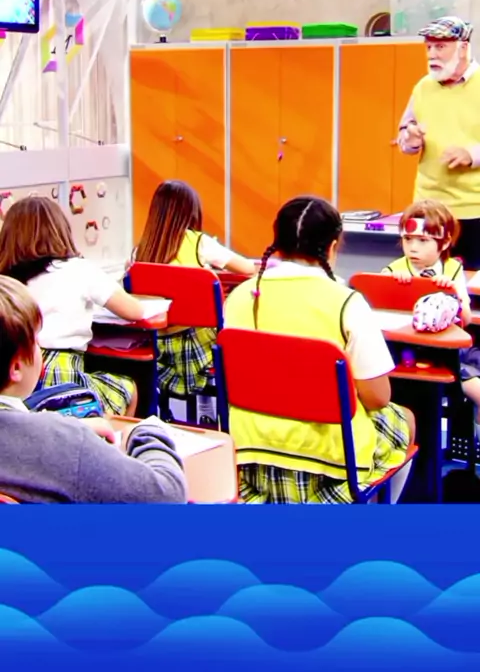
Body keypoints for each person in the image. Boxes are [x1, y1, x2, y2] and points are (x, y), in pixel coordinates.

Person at [224, 196, 416, 504]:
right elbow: (378, 398)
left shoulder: (239, 296)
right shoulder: (346, 302)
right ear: (332, 247)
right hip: (331, 461)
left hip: (246, 453)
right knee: (404, 419)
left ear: (277, 242)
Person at [0, 276, 187, 504]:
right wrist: (148, 432)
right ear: (16, 367)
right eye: (36, 341)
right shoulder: (63, 445)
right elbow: (167, 497)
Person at [0, 196, 146, 417]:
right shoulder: (79, 269)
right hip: (64, 376)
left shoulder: (5, 279)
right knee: (128, 388)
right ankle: (113, 437)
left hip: (14, 376)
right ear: (60, 230)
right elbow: (135, 311)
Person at [133, 180, 255, 404]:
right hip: (197, 350)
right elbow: (247, 268)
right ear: (190, 212)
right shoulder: (199, 243)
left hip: (156, 349)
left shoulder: (139, 253)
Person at [382, 199, 480, 442]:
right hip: (402, 355)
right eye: (408, 239)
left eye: (423, 241)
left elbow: (466, 320)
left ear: (444, 242)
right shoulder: (392, 271)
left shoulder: (452, 270)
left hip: (448, 356)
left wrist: (454, 294)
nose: (413, 248)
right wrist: (392, 287)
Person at [397, 16, 480, 269]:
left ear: (463, 48)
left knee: (471, 284)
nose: (432, 54)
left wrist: (472, 155)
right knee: (426, 281)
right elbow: (404, 135)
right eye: (429, 47)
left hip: (474, 210)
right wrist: (410, 139)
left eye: (440, 47)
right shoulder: (423, 87)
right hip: (429, 210)